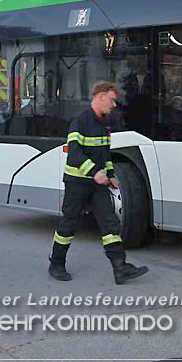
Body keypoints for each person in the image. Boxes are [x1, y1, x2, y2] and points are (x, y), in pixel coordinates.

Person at [48, 81, 149, 285]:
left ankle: (120, 268)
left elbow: (105, 155)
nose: (114, 105)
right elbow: (74, 155)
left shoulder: (105, 124)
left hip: (97, 184)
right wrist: (95, 172)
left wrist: (110, 174)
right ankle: (56, 264)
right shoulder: (80, 121)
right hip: (77, 183)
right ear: (100, 96)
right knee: (69, 224)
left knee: (110, 223)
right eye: (112, 100)